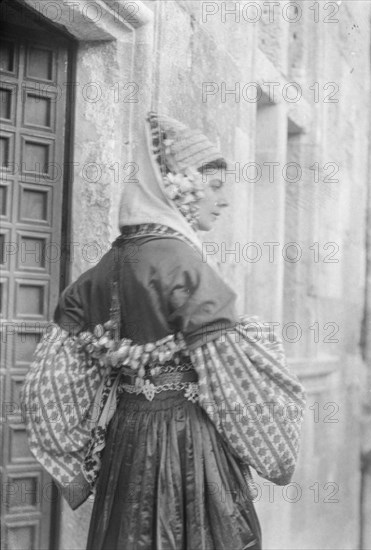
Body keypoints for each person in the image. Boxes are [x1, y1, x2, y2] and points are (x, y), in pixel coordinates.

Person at [24, 112, 305, 550]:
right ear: (177, 189)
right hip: (185, 440)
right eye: (213, 187)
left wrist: (71, 450)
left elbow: (51, 381)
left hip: (127, 437)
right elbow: (234, 380)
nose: (223, 201)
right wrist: (275, 453)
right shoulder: (180, 261)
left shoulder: (109, 264)